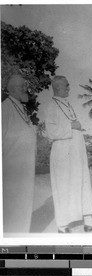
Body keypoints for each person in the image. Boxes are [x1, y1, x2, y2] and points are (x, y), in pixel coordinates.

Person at [45, 75, 92, 233]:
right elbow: (51, 132)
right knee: (63, 186)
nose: (69, 88)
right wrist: (71, 125)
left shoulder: (67, 104)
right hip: (62, 154)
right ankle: (62, 225)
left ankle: (89, 222)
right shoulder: (51, 106)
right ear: (58, 87)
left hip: (76, 153)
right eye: (66, 85)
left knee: (83, 184)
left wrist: (75, 127)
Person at [2, 74, 36, 234]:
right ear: (14, 89)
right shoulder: (4, 108)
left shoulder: (21, 107)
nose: (27, 89)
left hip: (25, 171)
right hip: (11, 171)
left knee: (23, 209)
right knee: (10, 214)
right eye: (24, 86)